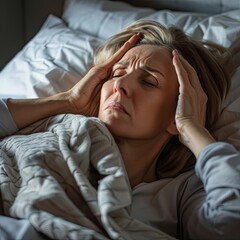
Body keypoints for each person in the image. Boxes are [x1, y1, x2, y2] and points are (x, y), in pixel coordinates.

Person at [0, 19, 240, 239]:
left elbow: (230, 222)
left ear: (177, 112)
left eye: (148, 81)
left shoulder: (178, 194)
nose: (120, 85)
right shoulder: (55, 127)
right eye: (116, 74)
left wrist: (191, 126)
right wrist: (68, 100)